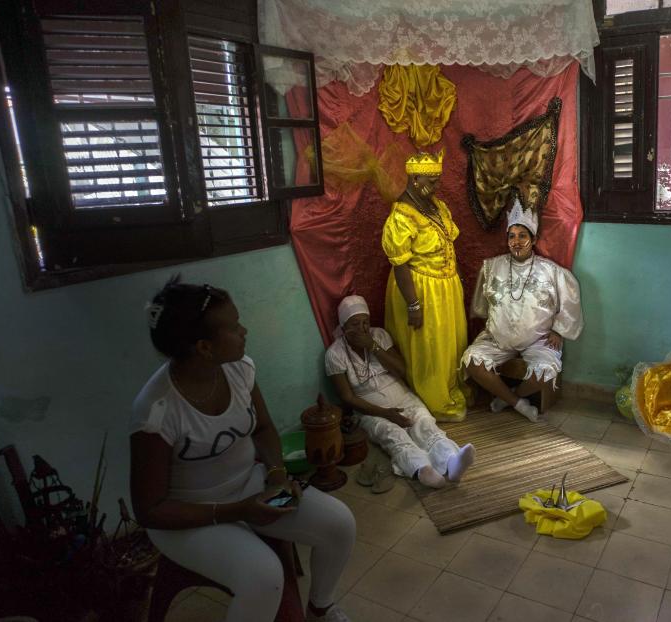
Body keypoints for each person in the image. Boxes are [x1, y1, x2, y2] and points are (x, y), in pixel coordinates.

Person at [129, 277, 355, 622]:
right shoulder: (156, 411)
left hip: (253, 489)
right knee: (263, 577)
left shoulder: (239, 369)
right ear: (204, 347)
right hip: (190, 520)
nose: (244, 330)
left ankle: (320, 609)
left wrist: (277, 478)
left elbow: (263, 428)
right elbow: (150, 510)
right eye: (234, 327)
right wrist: (240, 511)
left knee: (339, 524)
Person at [325, 295, 476, 489]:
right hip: (370, 410)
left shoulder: (378, 336)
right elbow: (347, 397)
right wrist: (386, 414)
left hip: (403, 397)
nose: (362, 328)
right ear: (343, 327)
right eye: (355, 324)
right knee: (393, 434)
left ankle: (452, 463)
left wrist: (372, 346)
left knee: (424, 423)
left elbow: (400, 370)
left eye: (365, 322)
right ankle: (421, 469)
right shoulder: (334, 354)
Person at [462, 198, 583, 422]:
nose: (516, 242)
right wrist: (492, 327)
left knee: (547, 371)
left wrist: (559, 330)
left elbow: (569, 300)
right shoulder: (492, 267)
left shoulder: (551, 271)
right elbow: (483, 307)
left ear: (534, 239)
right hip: (497, 338)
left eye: (522, 236)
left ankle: (508, 398)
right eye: (512, 236)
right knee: (471, 361)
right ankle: (518, 403)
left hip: (538, 340)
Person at [381, 150, 470, 422]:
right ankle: (433, 398)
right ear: (414, 178)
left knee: (449, 343)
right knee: (429, 346)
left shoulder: (437, 206)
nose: (435, 186)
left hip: (445, 287)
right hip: (420, 289)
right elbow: (400, 264)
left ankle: (449, 387)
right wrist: (414, 304)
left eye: (437, 180)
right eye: (431, 181)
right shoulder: (402, 215)